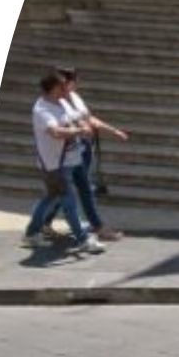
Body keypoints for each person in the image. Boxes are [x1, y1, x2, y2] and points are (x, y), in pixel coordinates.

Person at [23, 69, 103, 254]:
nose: (66, 89)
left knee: (51, 197)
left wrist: (82, 125)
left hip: (73, 158)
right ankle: (83, 238)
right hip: (56, 163)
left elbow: (75, 119)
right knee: (69, 201)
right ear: (51, 88)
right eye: (62, 86)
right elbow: (56, 132)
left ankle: (31, 233)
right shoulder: (42, 109)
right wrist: (79, 132)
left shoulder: (61, 102)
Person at [57, 65, 129, 238]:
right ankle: (97, 227)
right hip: (68, 151)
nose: (75, 84)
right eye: (73, 81)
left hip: (83, 149)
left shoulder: (75, 97)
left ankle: (44, 222)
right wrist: (81, 128)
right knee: (81, 189)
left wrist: (113, 131)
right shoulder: (57, 103)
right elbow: (63, 125)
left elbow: (89, 118)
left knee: (75, 189)